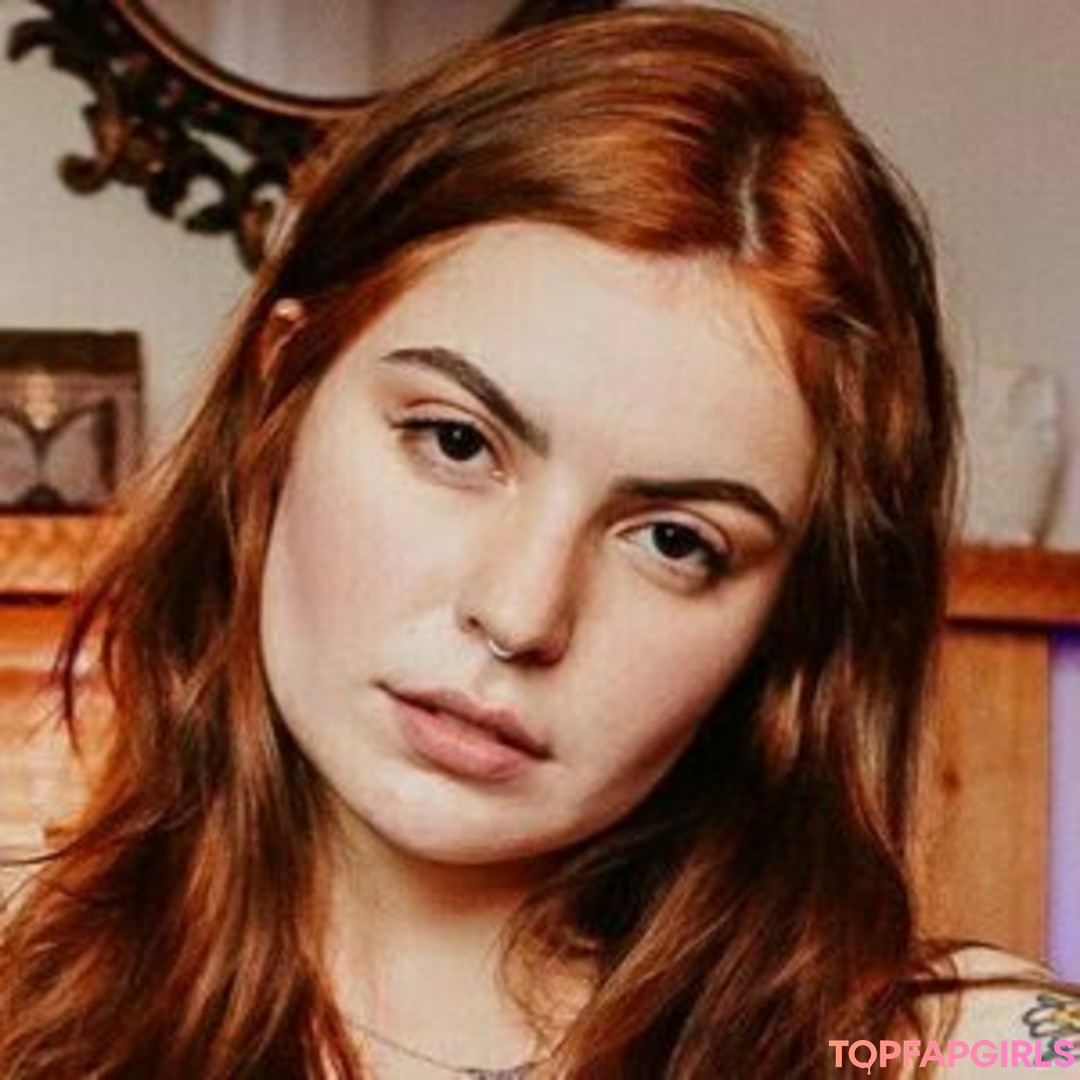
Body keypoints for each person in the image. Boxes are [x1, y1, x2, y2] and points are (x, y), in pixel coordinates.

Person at [1, 6, 1075, 1078]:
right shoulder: (21, 986)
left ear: (788, 614)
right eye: (456, 442)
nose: (519, 615)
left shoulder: (976, 1057)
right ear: (282, 395)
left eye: (674, 540)